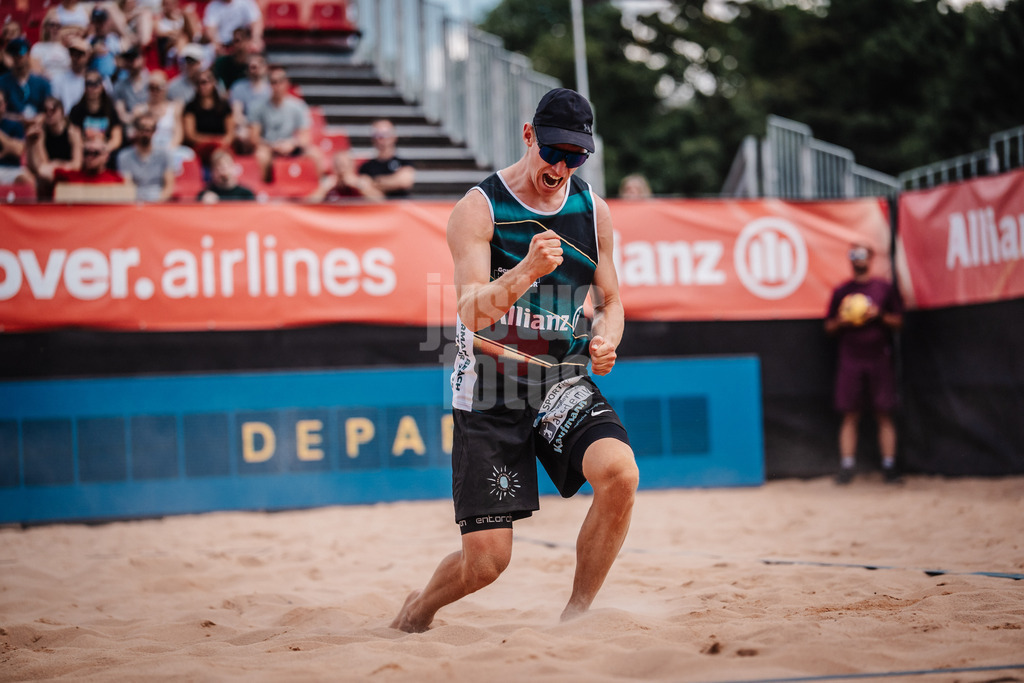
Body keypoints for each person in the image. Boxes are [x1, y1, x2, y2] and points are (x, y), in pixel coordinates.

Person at [390, 88, 638, 633]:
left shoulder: (593, 211)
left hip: (559, 380)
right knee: (486, 564)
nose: (562, 166)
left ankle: (575, 618)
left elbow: (612, 301)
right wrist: (526, 270)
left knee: (620, 475)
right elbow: (470, 313)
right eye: (554, 151)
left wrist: (606, 338)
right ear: (529, 135)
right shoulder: (479, 208)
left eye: (576, 157)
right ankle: (418, 610)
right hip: (491, 391)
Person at [825, 243, 904, 485]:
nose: (858, 259)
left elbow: (899, 321)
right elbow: (828, 327)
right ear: (849, 259)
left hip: (878, 357)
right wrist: (845, 320)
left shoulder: (883, 289)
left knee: (884, 412)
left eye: (862, 255)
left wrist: (878, 315)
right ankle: (847, 467)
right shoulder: (842, 291)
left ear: (870, 257)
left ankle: (889, 467)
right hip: (851, 358)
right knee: (850, 414)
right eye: (854, 255)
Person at [250, 65, 323, 183]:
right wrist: (273, 145)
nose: (277, 86)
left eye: (280, 81)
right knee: (261, 155)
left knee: (316, 154)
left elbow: (305, 137)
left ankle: (316, 190)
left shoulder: (298, 106)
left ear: (287, 83)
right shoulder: (258, 107)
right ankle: (264, 191)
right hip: (269, 147)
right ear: (269, 85)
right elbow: (254, 137)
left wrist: (292, 144)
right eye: (273, 82)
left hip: (292, 146)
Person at [25, 96, 82, 199]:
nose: (49, 113)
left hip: (68, 173)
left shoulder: (73, 132)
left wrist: (56, 165)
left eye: (53, 109)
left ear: (62, 111)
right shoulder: (41, 133)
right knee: (41, 176)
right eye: (45, 110)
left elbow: (77, 164)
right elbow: (42, 164)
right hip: (51, 174)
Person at [67, 68, 124, 162]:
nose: (92, 88)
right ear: (84, 87)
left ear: (102, 86)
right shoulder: (76, 110)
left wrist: (103, 149)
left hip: (105, 154)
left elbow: (117, 138)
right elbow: (74, 136)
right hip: (84, 153)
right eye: (89, 83)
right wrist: (90, 148)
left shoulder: (110, 108)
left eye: (96, 83)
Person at [116, 109, 174, 201]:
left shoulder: (165, 155)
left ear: (155, 131)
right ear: (136, 129)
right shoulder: (124, 156)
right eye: (142, 128)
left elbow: (169, 186)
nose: (146, 133)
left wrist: (157, 202)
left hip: (159, 201)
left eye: (150, 129)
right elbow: (127, 185)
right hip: (134, 202)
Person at [182, 67, 234, 167]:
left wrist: (220, 142)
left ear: (213, 83)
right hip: (201, 147)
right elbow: (190, 135)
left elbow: (230, 134)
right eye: (198, 83)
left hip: (221, 146)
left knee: (222, 153)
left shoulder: (224, 106)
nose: (202, 86)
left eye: (205, 82)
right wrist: (212, 141)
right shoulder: (190, 107)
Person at [357, 118, 414, 198]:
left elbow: (404, 182)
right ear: (373, 139)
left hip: (401, 208)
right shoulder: (366, 167)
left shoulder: (404, 162)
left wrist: (374, 182)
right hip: (378, 209)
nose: (382, 139)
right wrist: (392, 181)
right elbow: (364, 188)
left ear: (394, 137)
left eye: (386, 134)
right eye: (378, 135)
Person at [0, 38, 53, 121]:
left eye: (20, 55)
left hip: (38, 126)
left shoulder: (42, 83)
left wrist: (39, 118)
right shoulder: (2, 82)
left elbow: (50, 109)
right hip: (11, 128)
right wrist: (18, 118)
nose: (18, 59)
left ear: (28, 54)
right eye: (14, 55)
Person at [308, 148, 383, 202]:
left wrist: (358, 185)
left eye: (345, 166)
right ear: (334, 168)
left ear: (353, 167)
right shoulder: (328, 184)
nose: (342, 170)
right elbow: (307, 205)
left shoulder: (362, 181)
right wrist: (324, 189)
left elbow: (381, 200)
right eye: (338, 166)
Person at [53, 131, 125, 184]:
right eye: (86, 153)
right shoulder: (71, 176)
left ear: (106, 156)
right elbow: (44, 171)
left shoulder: (116, 180)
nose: (90, 157)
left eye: (95, 153)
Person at [0, 90, 35, 190]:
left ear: (5, 105)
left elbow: (18, 150)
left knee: (28, 180)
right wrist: (8, 148)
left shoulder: (14, 125)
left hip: (12, 169)